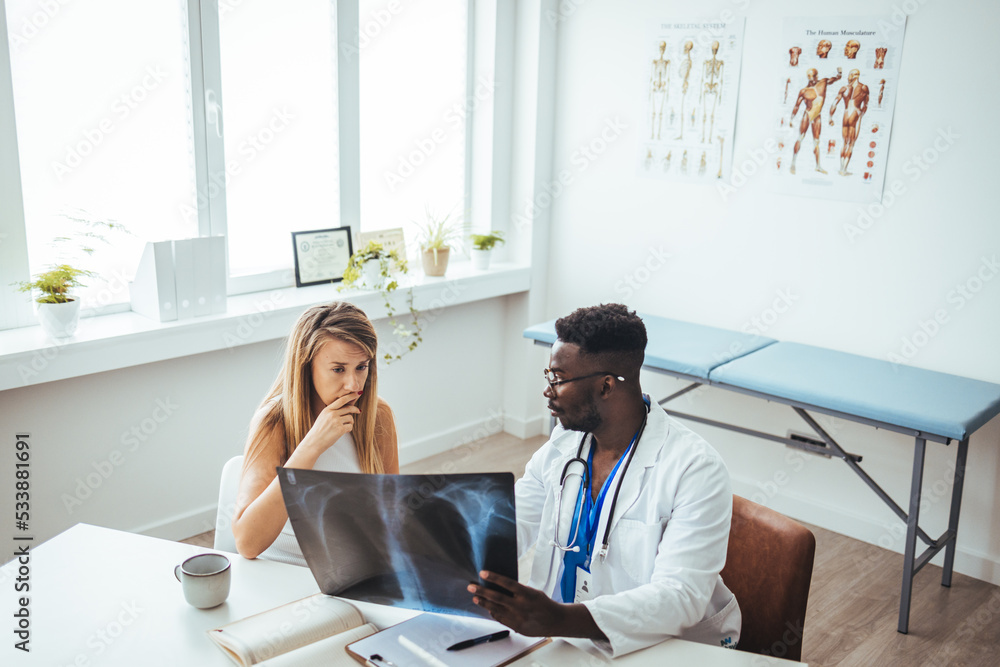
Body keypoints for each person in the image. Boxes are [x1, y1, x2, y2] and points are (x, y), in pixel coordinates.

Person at [467, 304, 740, 657]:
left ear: (606, 386)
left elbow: (680, 597)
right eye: (548, 376)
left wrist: (561, 618)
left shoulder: (695, 468)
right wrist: (460, 548)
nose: (548, 391)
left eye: (559, 378)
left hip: (667, 646)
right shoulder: (562, 446)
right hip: (565, 636)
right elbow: (512, 521)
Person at [232, 302, 399, 565]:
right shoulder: (273, 421)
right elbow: (247, 543)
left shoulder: (377, 416)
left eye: (361, 367)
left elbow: (392, 517)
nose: (353, 385)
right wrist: (311, 446)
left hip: (349, 569)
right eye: (338, 369)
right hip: (282, 568)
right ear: (306, 365)